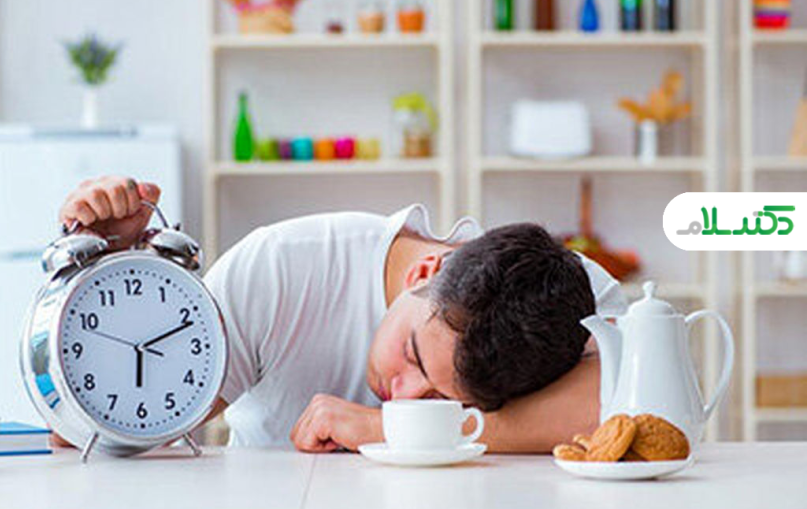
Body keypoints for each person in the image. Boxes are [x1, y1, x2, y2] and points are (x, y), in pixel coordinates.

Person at [57, 176, 626, 453]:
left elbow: (634, 408)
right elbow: (93, 441)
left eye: (446, 402)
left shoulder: (568, 298)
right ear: (424, 272)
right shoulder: (282, 268)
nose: (405, 396)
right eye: (412, 355)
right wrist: (105, 276)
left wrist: (386, 431)